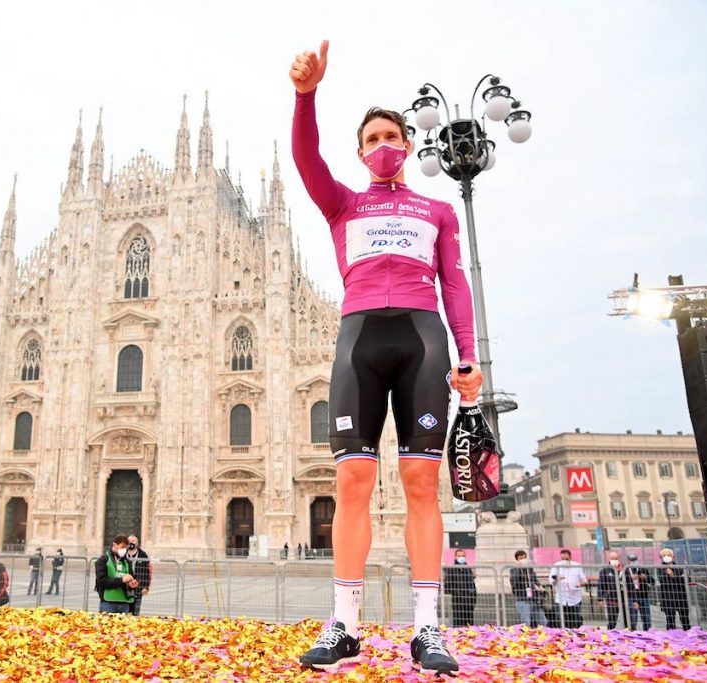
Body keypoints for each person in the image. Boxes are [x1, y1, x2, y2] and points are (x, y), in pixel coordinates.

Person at [289, 40, 482, 675]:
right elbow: (305, 158)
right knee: (352, 481)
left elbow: (455, 283)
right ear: (361, 150)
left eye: (391, 135)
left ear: (406, 143)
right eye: (371, 138)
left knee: (422, 483)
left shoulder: (436, 209)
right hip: (359, 340)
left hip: (424, 341)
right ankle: (344, 625)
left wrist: (468, 358)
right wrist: (306, 96)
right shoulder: (343, 203)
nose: (382, 145)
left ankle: (427, 631)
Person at [94, 535, 137, 614]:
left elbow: (131, 578)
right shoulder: (103, 559)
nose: (124, 550)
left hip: (124, 603)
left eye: (126, 548)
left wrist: (132, 585)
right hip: (108, 603)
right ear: (115, 546)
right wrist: (122, 580)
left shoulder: (127, 562)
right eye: (122, 547)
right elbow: (102, 581)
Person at [548, 549, 587, 628]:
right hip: (561, 598)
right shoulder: (556, 566)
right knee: (561, 620)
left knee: (575, 620)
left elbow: (584, 580)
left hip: (574, 598)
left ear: (570, 557)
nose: (564, 561)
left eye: (566, 559)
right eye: (563, 559)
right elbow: (551, 581)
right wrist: (557, 580)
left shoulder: (576, 566)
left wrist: (580, 584)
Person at [509, 550, 548, 627]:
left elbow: (534, 579)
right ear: (517, 560)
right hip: (522, 598)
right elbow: (514, 581)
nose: (523, 560)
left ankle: (542, 634)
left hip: (533, 598)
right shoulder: (514, 569)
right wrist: (518, 568)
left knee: (543, 621)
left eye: (524, 557)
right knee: (525, 623)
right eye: (521, 558)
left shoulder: (529, 569)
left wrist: (539, 586)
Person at [656, 548, 690, 630]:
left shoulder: (680, 567)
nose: (666, 557)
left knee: (685, 619)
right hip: (668, 598)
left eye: (668, 555)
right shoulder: (660, 569)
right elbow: (661, 580)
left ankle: (688, 634)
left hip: (680, 597)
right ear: (661, 557)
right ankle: (671, 637)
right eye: (664, 555)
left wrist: (673, 576)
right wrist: (675, 577)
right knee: (670, 620)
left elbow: (687, 579)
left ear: (673, 556)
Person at [442, 550, 477, 627]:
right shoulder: (452, 569)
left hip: (469, 599)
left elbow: (472, 584)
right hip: (458, 600)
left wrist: (473, 596)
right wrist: (457, 592)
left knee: (469, 621)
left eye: (463, 556)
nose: (461, 558)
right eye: (459, 556)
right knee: (458, 621)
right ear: (455, 557)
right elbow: (448, 584)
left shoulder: (467, 568)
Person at [597, 551, 629, 629]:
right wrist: (600, 599)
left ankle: (627, 635)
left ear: (619, 559)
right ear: (609, 559)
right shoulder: (605, 571)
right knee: (612, 620)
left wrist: (634, 599)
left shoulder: (625, 569)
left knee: (627, 620)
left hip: (624, 599)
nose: (614, 560)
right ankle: (610, 634)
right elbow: (601, 585)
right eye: (612, 558)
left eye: (616, 558)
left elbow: (630, 584)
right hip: (611, 599)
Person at [624, 553, 653, 631]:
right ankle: (633, 632)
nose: (634, 562)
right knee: (633, 618)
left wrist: (645, 577)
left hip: (643, 595)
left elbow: (652, 581)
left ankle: (647, 632)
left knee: (646, 618)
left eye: (635, 560)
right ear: (628, 561)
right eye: (632, 561)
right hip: (632, 596)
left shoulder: (642, 569)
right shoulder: (626, 570)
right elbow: (623, 584)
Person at [125, 535, 151, 615]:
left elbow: (147, 572)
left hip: (138, 587)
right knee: (125, 609)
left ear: (137, 543)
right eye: (129, 540)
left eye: (133, 540)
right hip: (124, 586)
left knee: (136, 610)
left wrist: (146, 587)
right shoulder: (122, 554)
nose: (131, 542)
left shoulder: (143, 555)